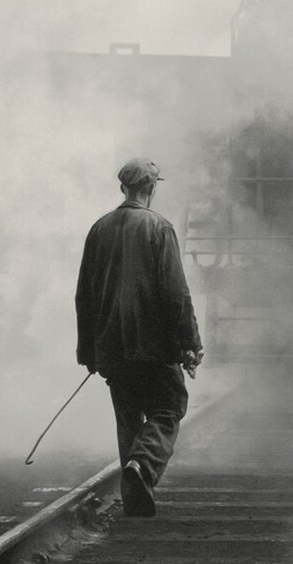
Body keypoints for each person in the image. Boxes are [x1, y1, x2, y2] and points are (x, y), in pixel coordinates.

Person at [75, 157, 203, 517]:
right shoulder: (159, 228)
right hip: (153, 345)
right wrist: (190, 342)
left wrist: (88, 350)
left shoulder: (98, 229)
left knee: (128, 419)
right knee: (168, 409)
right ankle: (142, 466)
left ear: (123, 188)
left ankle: (134, 499)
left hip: (111, 347)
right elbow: (176, 294)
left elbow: (84, 295)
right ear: (152, 188)